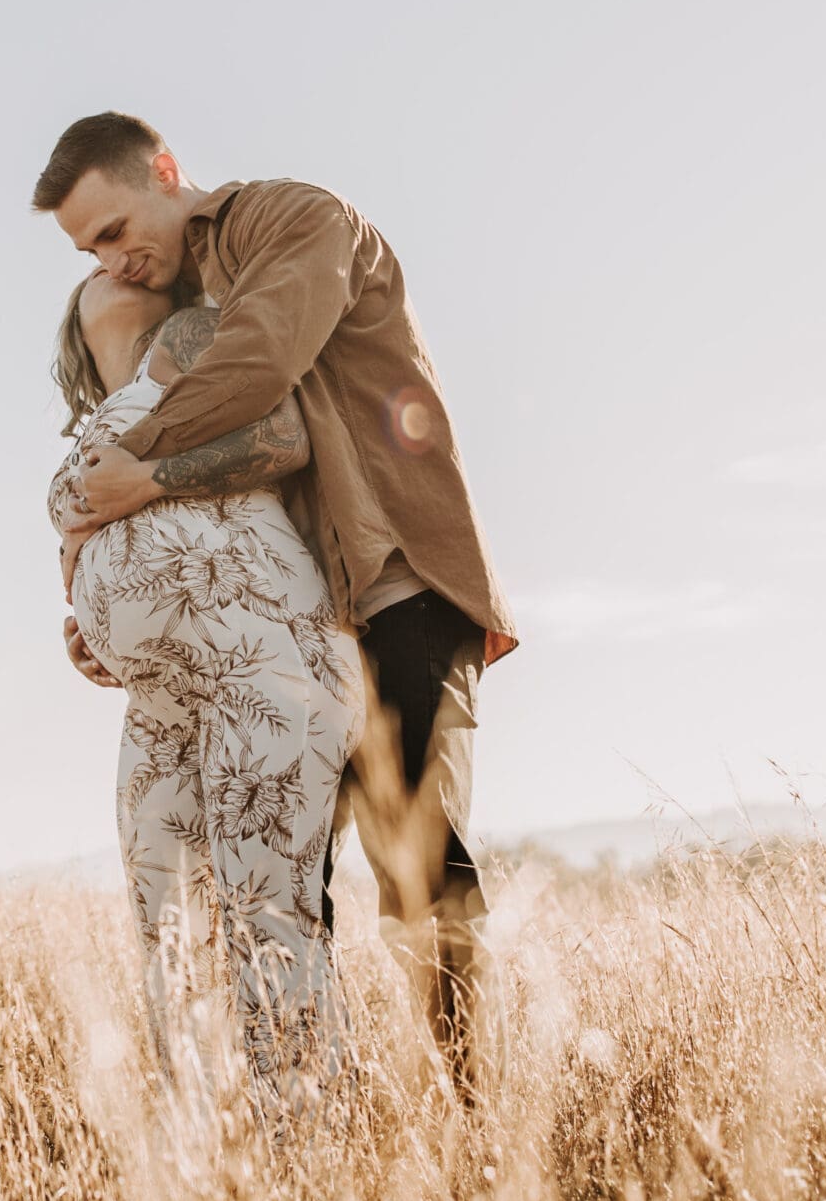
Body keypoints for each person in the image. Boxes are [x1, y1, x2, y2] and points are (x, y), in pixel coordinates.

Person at [36, 110, 517, 1090]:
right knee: (285, 883)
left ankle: (474, 1122)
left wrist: (132, 472)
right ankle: (320, 1122)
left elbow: (259, 370)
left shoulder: (292, 221)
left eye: (119, 230)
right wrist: (110, 616)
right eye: (92, 251)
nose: (116, 259)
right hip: (312, 624)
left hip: (398, 584)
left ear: (166, 171)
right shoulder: (183, 298)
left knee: (417, 859)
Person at [47, 267, 364, 1118]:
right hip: (160, 699)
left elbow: (283, 437)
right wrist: (96, 626)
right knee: (168, 936)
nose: (111, 269)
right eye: (93, 280)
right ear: (77, 340)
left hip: (264, 665)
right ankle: (205, 1155)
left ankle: (308, 1149)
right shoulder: (103, 419)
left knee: (270, 923)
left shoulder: (189, 339)